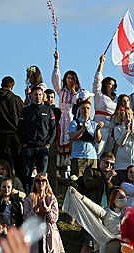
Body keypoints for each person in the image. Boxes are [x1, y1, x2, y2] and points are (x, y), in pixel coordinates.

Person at [77, 152, 118, 253]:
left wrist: (109, 180)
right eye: (106, 163)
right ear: (100, 161)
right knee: (87, 244)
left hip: (105, 215)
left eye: (111, 164)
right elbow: (88, 184)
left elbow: (113, 194)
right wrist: (104, 178)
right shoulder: (91, 172)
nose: (109, 166)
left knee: (102, 247)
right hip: (90, 214)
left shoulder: (111, 177)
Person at [0, 76, 24, 179]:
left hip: (0, 136)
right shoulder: (17, 100)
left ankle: (4, 183)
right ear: (12, 86)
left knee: (4, 164)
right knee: (18, 163)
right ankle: (17, 184)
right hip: (16, 135)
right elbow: (23, 117)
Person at [52, 50, 83, 178]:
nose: (69, 80)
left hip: (71, 118)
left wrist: (75, 91)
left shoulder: (78, 93)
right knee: (60, 141)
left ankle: (69, 169)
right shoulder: (61, 91)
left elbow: (82, 99)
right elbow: (55, 80)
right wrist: (56, 62)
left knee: (69, 142)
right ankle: (60, 169)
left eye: (72, 78)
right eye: (68, 78)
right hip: (62, 118)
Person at [19, 86, 56, 191]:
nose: (38, 97)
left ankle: (42, 195)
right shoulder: (25, 110)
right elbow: (20, 129)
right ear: (31, 96)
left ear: (43, 96)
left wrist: (48, 144)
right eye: (35, 94)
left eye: (40, 94)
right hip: (28, 146)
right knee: (26, 174)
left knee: (42, 176)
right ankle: (27, 196)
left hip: (43, 147)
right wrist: (24, 143)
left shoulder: (48, 110)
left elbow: (53, 129)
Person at [69, 97, 102, 177]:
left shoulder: (94, 124)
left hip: (92, 157)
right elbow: (73, 137)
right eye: (83, 108)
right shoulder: (74, 123)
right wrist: (83, 129)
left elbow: (98, 140)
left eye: (88, 108)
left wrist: (97, 130)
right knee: (77, 181)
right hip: (78, 157)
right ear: (79, 110)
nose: (86, 110)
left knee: (92, 181)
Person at [93, 54, 117, 156]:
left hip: (111, 128)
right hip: (100, 127)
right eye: (109, 84)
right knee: (98, 151)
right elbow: (97, 80)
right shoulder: (99, 95)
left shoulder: (116, 99)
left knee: (108, 154)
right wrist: (101, 63)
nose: (111, 87)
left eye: (113, 85)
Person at [114, 107, 134, 182]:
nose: (127, 116)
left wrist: (133, 132)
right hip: (122, 164)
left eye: (129, 114)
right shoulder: (117, 128)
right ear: (121, 116)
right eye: (125, 114)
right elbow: (120, 143)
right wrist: (126, 131)